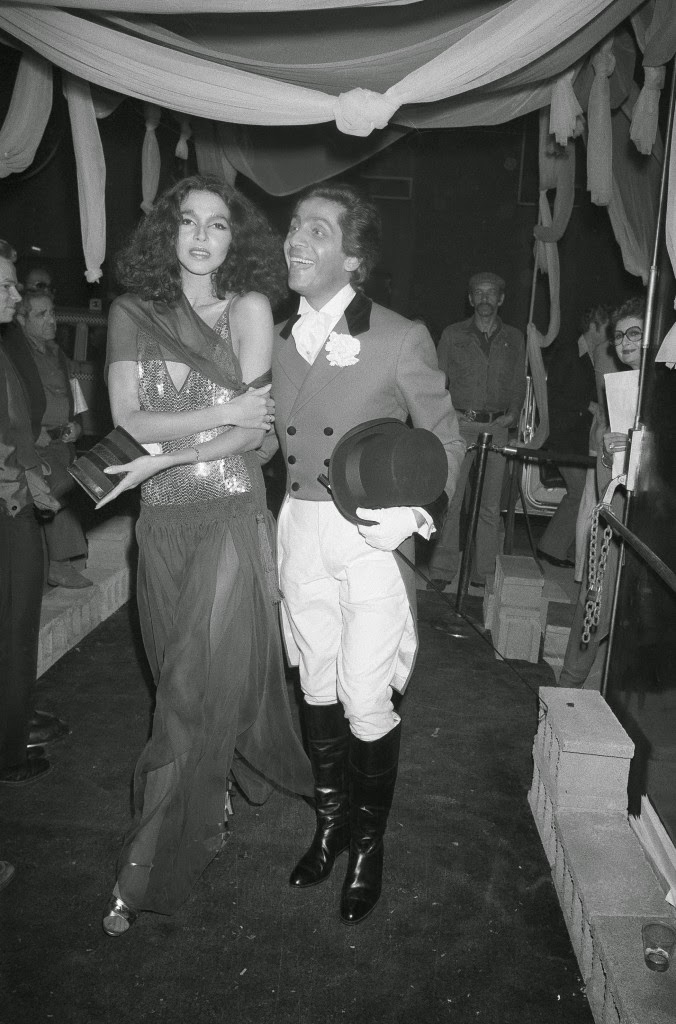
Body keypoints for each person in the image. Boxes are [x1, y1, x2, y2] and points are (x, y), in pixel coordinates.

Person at [98, 174, 313, 935]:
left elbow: (255, 434)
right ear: (168, 231)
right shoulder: (131, 312)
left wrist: (168, 452)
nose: (200, 236)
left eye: (217, 225)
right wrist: (216, 413)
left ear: (234, 239)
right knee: (175, 678)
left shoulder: (248, 308)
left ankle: (144, 868)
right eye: (188, 221)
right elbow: (127, 418)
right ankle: (209, 789)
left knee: (186, 690)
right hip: (160, 523)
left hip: (227, 512)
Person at [269, 182, 464, 925]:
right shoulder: (276, 339)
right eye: (293, 227)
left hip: (370, 536)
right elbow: (266, 439)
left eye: (315, 231)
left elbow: (445, 439)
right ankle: (331, 826)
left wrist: (418, 512)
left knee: (364, 695)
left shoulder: (398, 335)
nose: (295, 240)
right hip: (299, 530)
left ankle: (368, 847)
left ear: (353, 258)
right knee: (315, 682)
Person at [0, 238, 63, 785]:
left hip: (17, 495)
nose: (16, 296)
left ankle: (14, 723)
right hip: (8, 503)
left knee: (18, 623)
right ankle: (7, 749)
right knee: (12, 625)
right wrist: (24, 481)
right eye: (5, 286)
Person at [558, 296, 644, 690]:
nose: (625, 343)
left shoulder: (663, 392)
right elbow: (606, 481)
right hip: (619, 511)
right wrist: (609, 453)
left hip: (655, 519)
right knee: (594, 599)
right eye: (619, 336)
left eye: (634, 333)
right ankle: (568, 685)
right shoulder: (622, 391)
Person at [427, 271, 526, 589]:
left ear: (501, 298)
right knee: (451, 500)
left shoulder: (515, 338)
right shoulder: (453, 334)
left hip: (497, 429)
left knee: (489, 506)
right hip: (460, 427)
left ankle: (483, 574)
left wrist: (514, 414)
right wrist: (448, 413)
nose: (485, 298)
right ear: (470, 299)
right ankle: (442, 570)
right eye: (479, 293)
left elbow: (518, 382)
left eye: (491, 292)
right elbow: (437, 379)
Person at [3, 291, 91, 588]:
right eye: (41, 315)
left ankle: (62, 559)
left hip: (63, 443)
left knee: (87, 479)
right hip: (33, 446)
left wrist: (77, 426)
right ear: (21, 319)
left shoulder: (57, 354)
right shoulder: (13, 355)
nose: (52, 320)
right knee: (57, 484)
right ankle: (60, 563)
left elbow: (74, 398)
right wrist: (30, 433)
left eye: (52, 312)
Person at [535, 312, 600, 569]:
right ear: (593, 325)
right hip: (563, 437)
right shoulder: (569, 352)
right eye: (606, 326)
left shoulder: (592, 357)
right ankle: (550, 547)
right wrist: (587, 405)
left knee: (581, 493)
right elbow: (552, 395)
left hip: (578, 439)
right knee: (579, 492)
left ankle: (564, 549)